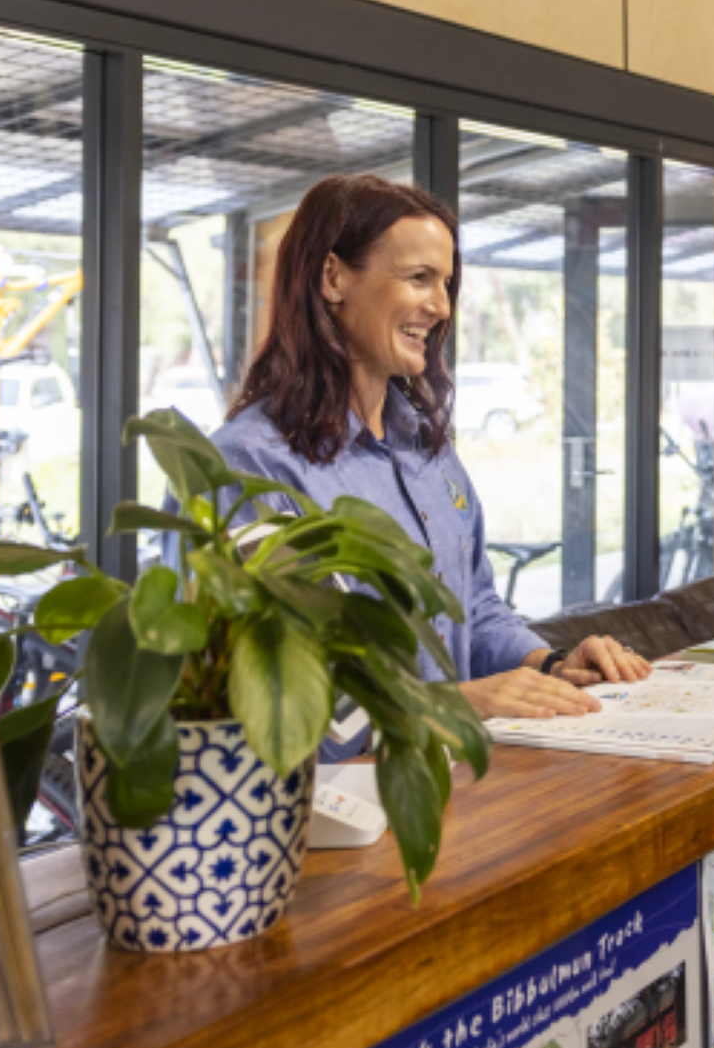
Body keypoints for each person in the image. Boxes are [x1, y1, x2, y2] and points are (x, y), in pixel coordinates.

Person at [212, 175, 650, 760]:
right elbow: (289, 696)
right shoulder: (250, 466)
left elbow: (476, 609)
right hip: (337, 805)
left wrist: (550, 665)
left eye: (445, 283)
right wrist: (457, 704)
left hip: (456, 789)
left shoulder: (428, 449)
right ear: (332, 278)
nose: (441, 306)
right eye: (418, 278)